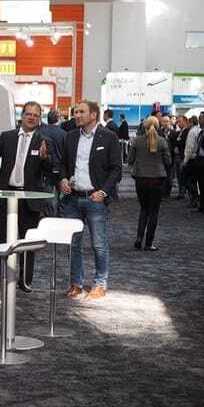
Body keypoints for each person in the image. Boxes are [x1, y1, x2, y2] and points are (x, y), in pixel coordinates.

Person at [0, 101, 50, 290]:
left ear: (39, 119)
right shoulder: (7, 137)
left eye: (35, 115)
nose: (31, 117)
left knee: (27, 241)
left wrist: (45, 158)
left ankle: (25, 280)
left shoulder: (44, 140)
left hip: (29, 199)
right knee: (2, 239)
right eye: (28, 114)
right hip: (6, 196)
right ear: (22, 116)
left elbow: (50, 172)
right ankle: (0, 277)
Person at [59, 100, 122, 300]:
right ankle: (76, 284)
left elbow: (116, 169)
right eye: (76, 112)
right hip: (72, 198)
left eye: (81, 112)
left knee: (99, 244)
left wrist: (103, 192)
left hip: (95, 199)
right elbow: (63, 164)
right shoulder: (70, 136)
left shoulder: (109, 137)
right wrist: (63, 179)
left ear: (94, 115)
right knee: (73, 244)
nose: (77, 115)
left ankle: (100, 283)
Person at [128, 116, 172, 251]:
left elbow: (130, 160)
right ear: (158, 127)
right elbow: (168, 161)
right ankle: (149, 243)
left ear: (144, 126)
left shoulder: (137, 141)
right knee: (154, 211)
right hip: (157, 179)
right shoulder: (162, 141)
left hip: (140, 178)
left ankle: (139, 237)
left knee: (143, 209)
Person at [38, 109, 68, 216]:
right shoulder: (64, 134)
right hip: (60, 168)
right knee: (61, 194)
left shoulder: (40, 132)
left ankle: (48, 215)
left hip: (45, 167)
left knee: (47, 193)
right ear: (58, 119)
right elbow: (66, 153)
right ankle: (59, 214)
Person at [181, 115, 201, 206]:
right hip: (197, 159)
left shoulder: (191, 132)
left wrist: (185, 161)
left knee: (186, 180)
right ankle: (194, 198)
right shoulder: (199, 130)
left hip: (191, 159)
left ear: (191, 123)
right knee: (193, 181)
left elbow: (189, 147)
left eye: (188, 123)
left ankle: (194, 197)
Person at [172, 115, 190, 199]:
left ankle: (184, 192)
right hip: (177, 156)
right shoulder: (179, 132)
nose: (178, 123)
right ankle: (181, 192)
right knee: (179, 175)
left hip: (183, 156)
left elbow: (183, 143)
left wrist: (178, 143)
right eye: (177, 122)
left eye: (180, 121)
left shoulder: (188, 131)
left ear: (185, 121)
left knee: (183, 175)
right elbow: (175, 141)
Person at [164, 116, 180, 199]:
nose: (165, 123)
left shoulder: (174, 133)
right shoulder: (160, 132)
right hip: (162, 157)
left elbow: (176, 144)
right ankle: (162, 192)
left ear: (169, 122)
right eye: (164, 121)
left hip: (171, 157)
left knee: (169, 176)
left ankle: (167, 193)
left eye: (167, 121)